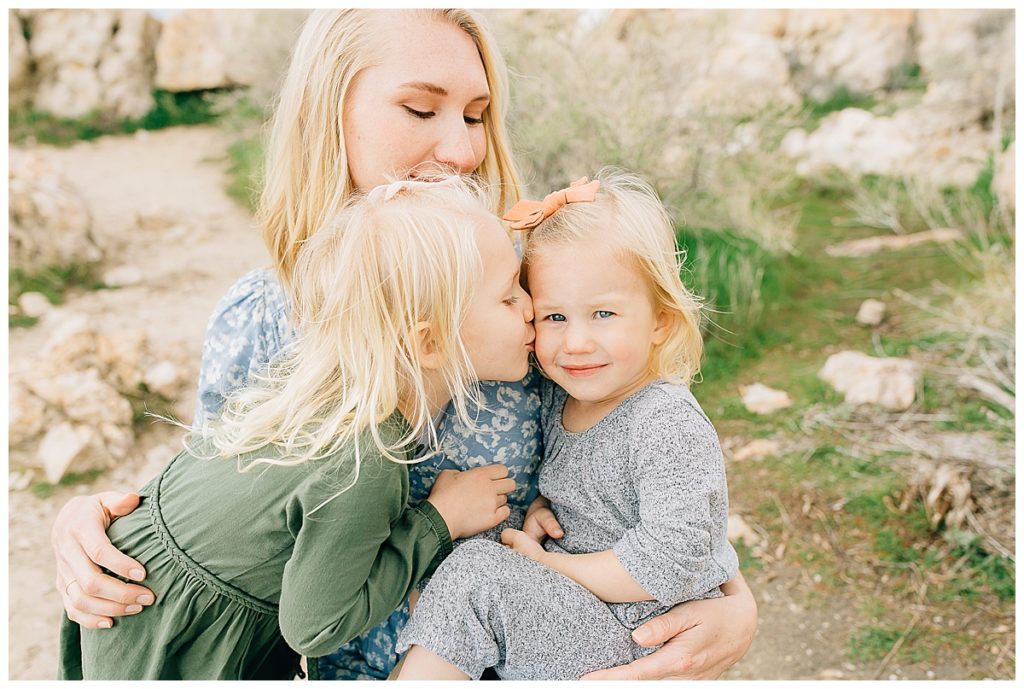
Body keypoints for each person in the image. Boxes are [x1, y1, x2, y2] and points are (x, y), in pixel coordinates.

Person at [49, 9, 757, 681]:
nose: (461, 148)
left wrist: (735, 602)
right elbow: (229, 514)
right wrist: (93, 523)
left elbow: (653, 457)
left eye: (477, 116)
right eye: (421, 109)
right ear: (327, 111)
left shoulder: (521, 294)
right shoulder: (263, 314)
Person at [59, 177, 535, 680]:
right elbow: (316, 627)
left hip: (139, 603)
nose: (532, 308)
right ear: (430, 343)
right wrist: (438, 520)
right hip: (175, 635)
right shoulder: (364, 461)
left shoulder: (311, 398)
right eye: (509, 298)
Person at [395, 171, 737, 680]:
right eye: (554, 317)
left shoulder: (664, 422)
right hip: (584, 615)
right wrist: (541, 509)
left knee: (475, 574)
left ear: (661, 320)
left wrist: (554, 566)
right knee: (470, 552)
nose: (575, 341)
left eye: (603, 313)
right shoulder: (565, 398)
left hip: (639, 631)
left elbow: (674, 557)